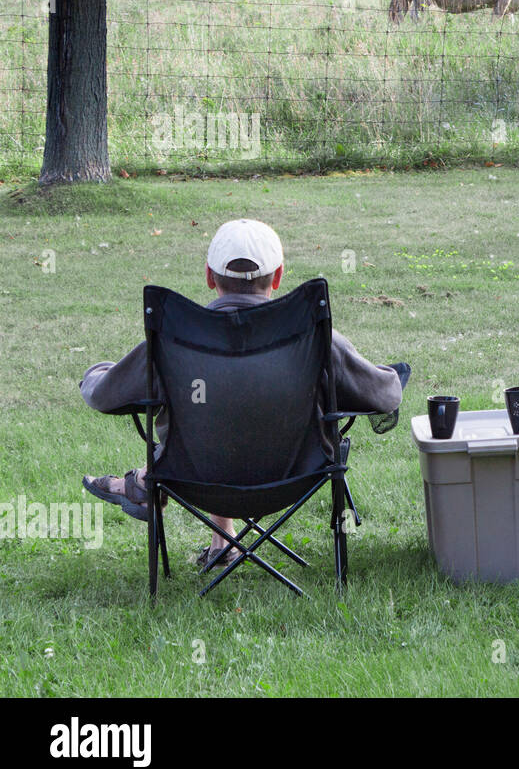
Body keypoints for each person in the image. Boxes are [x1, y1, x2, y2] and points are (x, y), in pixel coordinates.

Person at [80, 218, 405, 569]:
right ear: (278, 277)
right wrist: (390, 374)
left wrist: (95, 371)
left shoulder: (174, 342)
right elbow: (385, 397)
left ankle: (148, 485)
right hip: (293, 477)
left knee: (214, 412)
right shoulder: (314, 339)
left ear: (209, 276)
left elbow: (102, 395)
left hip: (196, 479)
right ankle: (212, 535)